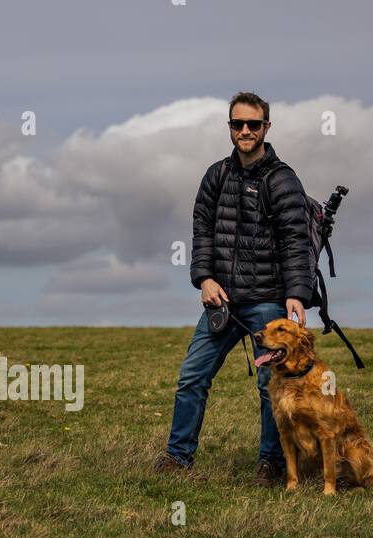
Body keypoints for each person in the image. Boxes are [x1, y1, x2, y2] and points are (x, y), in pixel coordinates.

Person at [154, 91, 315, 487]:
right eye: (237, 124)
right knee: (193, 376)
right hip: (222, 301)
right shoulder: (216, 175)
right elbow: (202, 231)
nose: (245, 131)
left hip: (267, 301)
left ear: (266, 128)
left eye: (253, 125)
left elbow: (296, 238)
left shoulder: (283, 179)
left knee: (269, 386)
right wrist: (204, 279)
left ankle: (272, 464)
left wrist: (297, 293)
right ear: (229, 127)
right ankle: (178, 458)